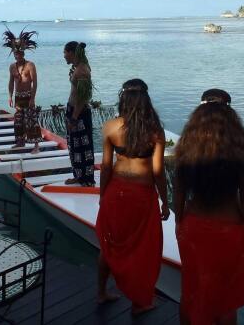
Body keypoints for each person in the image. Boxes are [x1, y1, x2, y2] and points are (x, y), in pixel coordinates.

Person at [174, 88, 244, 325]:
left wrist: (179, 222)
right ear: (230, 114)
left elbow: (179, 191)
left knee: (191, 292)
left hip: (194, 228)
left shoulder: (187, 145)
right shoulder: (242, 147)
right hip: (230, 230)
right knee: (226, 301)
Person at [95, 79, 170, 314]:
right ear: (146, 100)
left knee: (109, 244)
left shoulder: (110, 127)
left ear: (123, 100)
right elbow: (158, 171)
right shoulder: (155, 131)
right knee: (143, 249)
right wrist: (165, 201)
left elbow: (106, 167)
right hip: (142, 196)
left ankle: (101, 293)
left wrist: (102, 196)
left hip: (115, 192)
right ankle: (139, 303)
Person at [3, 27, 42, 153]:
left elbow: (35, 82)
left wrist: (33, 98)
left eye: (19, 54)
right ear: (14, 54)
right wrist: (10, 96)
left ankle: (36, 146)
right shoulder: (12, 67)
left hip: (28, 96)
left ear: (23, 54)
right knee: (18, 121)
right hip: (18, 98)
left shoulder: (30, 65)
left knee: (31, 121)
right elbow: (11, 82)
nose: (17, 56)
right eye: (16, 54)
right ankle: (20, 142)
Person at [63, 41, 95, 186]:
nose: (64, 56)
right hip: (74, 111)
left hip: (79, 113)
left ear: (71, 53)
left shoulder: (82, 70)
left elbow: (83, 97)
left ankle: (87, 179)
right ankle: (78, 176)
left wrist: (74, 118)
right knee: (75, 146)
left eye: (65, 52)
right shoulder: (78, 67)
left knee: (83, 147)